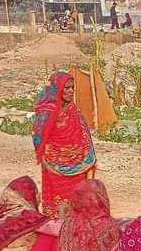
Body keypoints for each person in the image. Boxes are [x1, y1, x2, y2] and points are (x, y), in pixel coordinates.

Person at [32, 71, 97, 217]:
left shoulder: (74, 111)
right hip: (53, 166)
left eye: (72, 87)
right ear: (57, 89)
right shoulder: (46, 112)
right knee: (56, 208)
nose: (71, 91)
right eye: (67, 88)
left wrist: (86, 157)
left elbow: (84, 136)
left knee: (77, 204)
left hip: (79, 165)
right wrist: (45, 157)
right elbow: (38, 137)